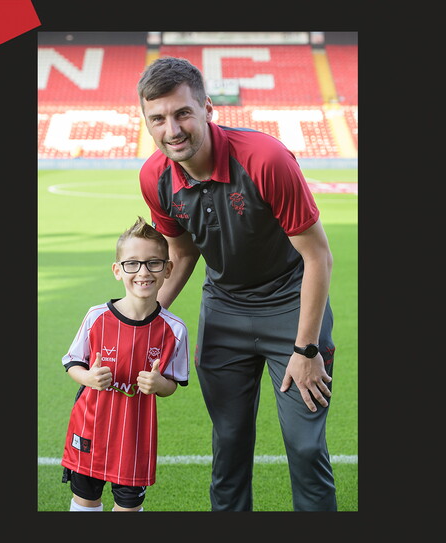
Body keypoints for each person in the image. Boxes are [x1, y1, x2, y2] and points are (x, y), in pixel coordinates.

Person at [136, 56, 337, 512]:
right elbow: (182, 252)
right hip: (223, 311)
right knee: (228, 445)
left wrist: (305, 351)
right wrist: (147, 318)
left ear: (207, 107)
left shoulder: (265, 159)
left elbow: (317, 255)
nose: (172, 129)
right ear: (147, 122)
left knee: (305, 448)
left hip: (291, 307)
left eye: (183, 113)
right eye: (158, 118)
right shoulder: (155, 176)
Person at [60, 216, 190, 512]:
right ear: (117, 270)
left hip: (135, 435)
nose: (143, 272)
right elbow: (72, 364)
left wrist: (160, 385)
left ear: (168, 269)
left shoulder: (175, 330)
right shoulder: (96, 317)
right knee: (85, 501)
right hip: (90, 427)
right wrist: (89, 378)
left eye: (154, 263)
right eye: (132, 263)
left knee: (128, 507)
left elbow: (173, 384)